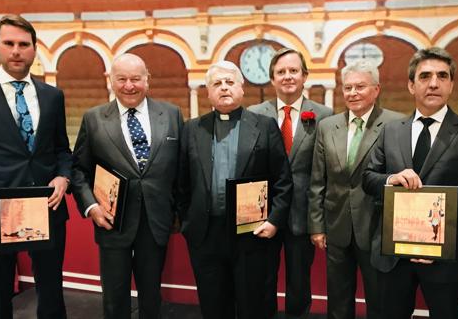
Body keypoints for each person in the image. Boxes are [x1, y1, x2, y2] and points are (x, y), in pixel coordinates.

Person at [362, 47, 458, 319]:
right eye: (425, 76)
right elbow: (368, 178)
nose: (434, 83)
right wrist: (391, 179)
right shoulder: (391, 130)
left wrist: (442, 241)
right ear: (412, 85)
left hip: (445, 258)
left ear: (451, 84)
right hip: (393, 255)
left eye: (442, 76)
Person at [0, 14, 71, 319]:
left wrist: (63, 177)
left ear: (34, 49)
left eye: (24, 44)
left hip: (47, 209)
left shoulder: (52, 96)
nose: (16, 50)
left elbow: (63, 150)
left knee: (52, 294)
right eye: (9, 43)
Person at [71, 53, 183, 318]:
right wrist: (91, 207)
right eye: (121, 79)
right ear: (110, 80)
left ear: (147, 80)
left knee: (151, 296)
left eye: (136, 78)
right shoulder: (93, 118)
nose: (129, 85)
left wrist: (180, 212)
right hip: (111, 221)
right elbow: (78, 170)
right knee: (114, 297)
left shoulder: (171, 114)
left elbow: (181, 168)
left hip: (156, 222)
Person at [177, 60, 292, 319]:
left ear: (242, 89)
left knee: (255, 305)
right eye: (217, 84)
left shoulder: (264, 126)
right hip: (206, 234)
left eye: (230, 82)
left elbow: (283, 180)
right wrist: (187, 223)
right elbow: (181, 183)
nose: (224, 88)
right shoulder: (191, 129)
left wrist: (274, 221)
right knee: (214, 305)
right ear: (208, 92)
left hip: (252, 232)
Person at [308, 59, 402, 319]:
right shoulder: (328, 126)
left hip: (377, 228)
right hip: (336, 226)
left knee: (379, 300)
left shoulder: (395, 124)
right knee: (338, 300)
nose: (352, 93)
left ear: (376, 89)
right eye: (347, 87)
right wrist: (316, 225)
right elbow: (318, 179)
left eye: (360, 87)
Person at [248, 48, 332, 319]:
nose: (287, 77)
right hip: (264, 214)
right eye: (280, 72)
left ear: (305, 76)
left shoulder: (324, 115)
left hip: (302, 214)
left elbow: (325, 171)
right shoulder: (254, 113)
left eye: (293, 71)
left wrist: (320, 219)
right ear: (272, 79)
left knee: (299, 282)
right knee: (262, 280)